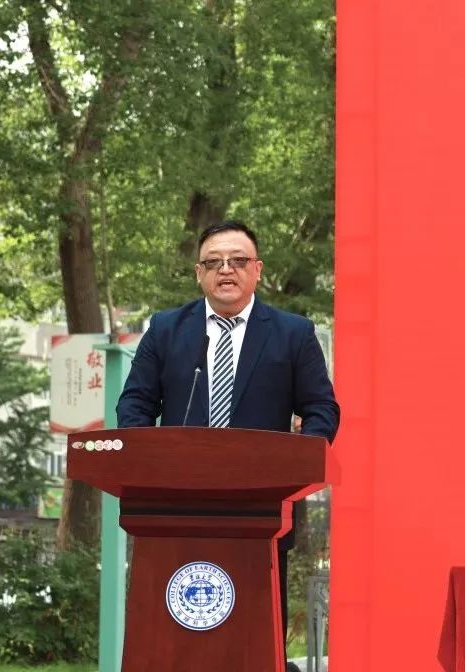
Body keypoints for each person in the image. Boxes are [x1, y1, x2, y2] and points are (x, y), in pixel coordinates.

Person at [117, 220, 340, 669]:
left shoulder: (292, 333)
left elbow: (321, 408)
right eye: (214, 262)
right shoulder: (166, 329)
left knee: (252, 645)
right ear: (198, 273)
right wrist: (148, 463)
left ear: (257, 270)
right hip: (172, 512)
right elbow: (135, 404)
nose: (226, 270)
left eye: (238, 260)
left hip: (260, 513)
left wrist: (298, 459)